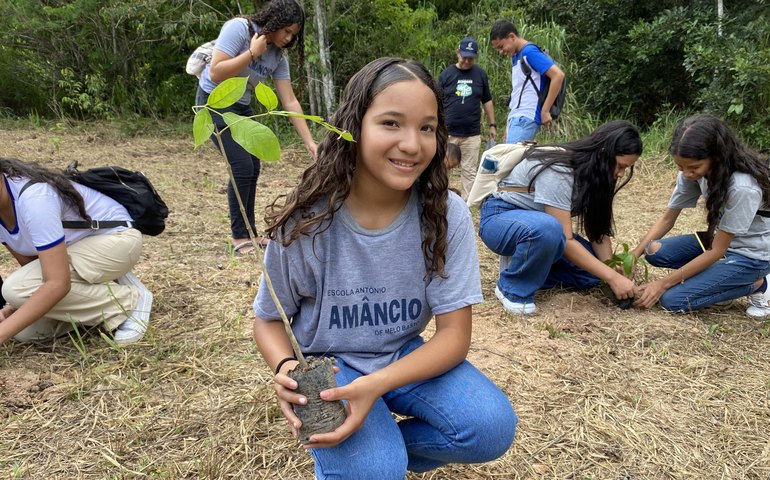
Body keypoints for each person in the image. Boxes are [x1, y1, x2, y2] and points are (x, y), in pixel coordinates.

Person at [252, 57, 517, 479]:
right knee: (377, 469)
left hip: (403, 354)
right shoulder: (306, 222)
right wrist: (286, 369)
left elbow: (454, 335)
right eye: (391, 123)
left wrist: (376, 384)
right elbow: (267, 320)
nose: (412, 144)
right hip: (330, 370)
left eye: (427, 128)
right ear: (353, 126)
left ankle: (379, 457)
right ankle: (368, 464)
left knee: (490, 428)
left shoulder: (445, 214)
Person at [478, 120, 642, 314]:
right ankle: (512, 288)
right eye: (620, 166)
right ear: (602, 153)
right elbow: (566, 238)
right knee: (549, 228)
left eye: (626, 168)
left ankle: (524, 266)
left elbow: (598, 232)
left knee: (592, 274)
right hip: (501, 217)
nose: (621, 174)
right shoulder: (560, 168)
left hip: (542, 229)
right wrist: (613, 278)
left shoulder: (597, 177)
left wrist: (611, 270)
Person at [196, 0, 317, 256]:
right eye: (287, 31)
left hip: (240, 107)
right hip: (213, 103)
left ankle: (249, 233)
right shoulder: (239, 29)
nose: (288, 38)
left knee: (253, 166)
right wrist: (251, 53)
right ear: (276, 21)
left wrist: (309, 142)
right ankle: (239, 238)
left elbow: (290, 101)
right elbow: (216, 72)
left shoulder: (277, 56)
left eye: (293, 35)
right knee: (241, 166)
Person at [0, 158, 153, 345]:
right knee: (26, 331)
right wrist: (12, 307)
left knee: (15, 289)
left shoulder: (34, 198)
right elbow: (33, 266)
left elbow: (57, 282)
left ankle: (128, 301)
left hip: (117, 240)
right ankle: (102, 296)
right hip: (74, 254)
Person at [632, 114, 770, 315]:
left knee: (673, 300)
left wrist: (662, 284)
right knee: (653, 250)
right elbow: (667, 219)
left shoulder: (743, 187)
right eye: (680, 167)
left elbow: (717, 250)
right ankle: (718, 279)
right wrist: (633, 256)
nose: (687, 174)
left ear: (717, 157)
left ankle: (757, 283)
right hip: (719, 243)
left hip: (749, 255)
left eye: (694, 167)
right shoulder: (691, 172)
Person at [490, 19, 565, 143]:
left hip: (526, 117)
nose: (501, 51)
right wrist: (509, 124)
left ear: (512, 37)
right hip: (517, 117)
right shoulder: (516, 56)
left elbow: (558, 75)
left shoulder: (529, 52)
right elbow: (518, 91)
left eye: (501, 46)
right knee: (509, 154)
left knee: (511, 155)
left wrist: (545, 110)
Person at [439, 37, 496, 199]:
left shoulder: (480, 74)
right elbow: (436, 101)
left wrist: (492, 124)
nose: (466, 61)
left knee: (469, 170)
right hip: (448, 132)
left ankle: (466, 203)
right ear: (458, 52)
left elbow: (487, 100)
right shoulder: (447, 74)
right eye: (464, 57)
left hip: (471, 133)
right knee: (443, 167)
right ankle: (440, 198)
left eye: (470, 58)